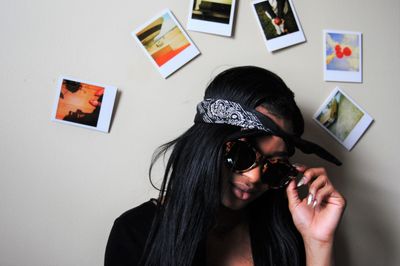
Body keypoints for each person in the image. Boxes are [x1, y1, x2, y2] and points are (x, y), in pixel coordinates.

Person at [105, 66, 346, 266]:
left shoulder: (285, 232)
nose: (254, 178)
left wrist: (319, 243)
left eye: (275, 166)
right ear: (206, 144)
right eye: (242, 154)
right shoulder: (136, 233)